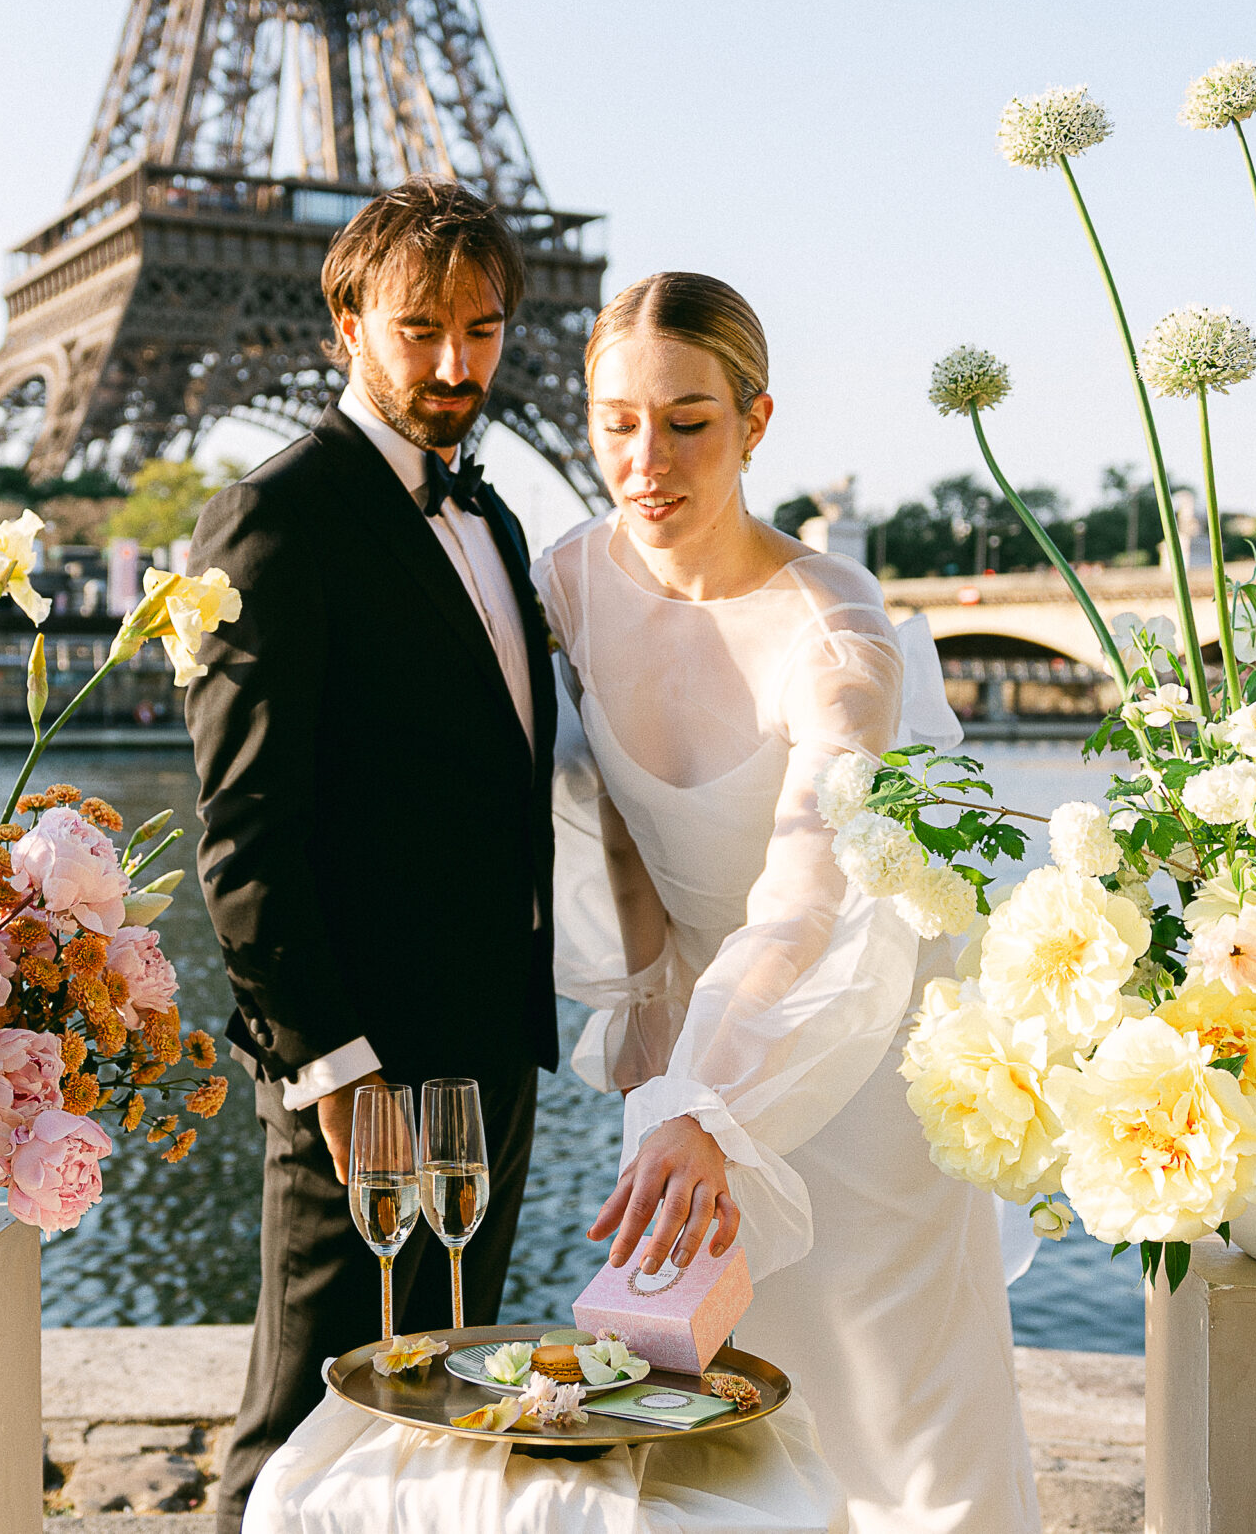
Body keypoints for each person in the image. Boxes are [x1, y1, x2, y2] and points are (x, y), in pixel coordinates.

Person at [539, 272, 1042, 1533]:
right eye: (616, 423)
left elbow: (807, 895)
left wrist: (707, 1098)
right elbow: (598, 819)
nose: (646, 462)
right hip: (690, 1047)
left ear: (756, 421)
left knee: (901, 1424)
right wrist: (653, 1028)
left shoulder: (836, 634)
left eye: (688, 423)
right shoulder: (570, 580)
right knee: (709, 1422)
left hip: (843, 1048)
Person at [183, 177, 558, 1533]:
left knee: (449, 1406)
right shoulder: (273, 518)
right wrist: (333, 1069)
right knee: (308, 1422)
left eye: (483, 330)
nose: (457, 363)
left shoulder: (495, 522)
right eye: (420, 330)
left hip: (493, 1052)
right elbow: (244, 836)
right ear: (348, 324)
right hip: (365, 1065)